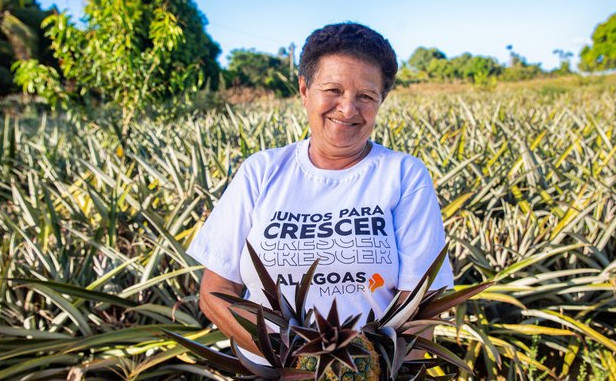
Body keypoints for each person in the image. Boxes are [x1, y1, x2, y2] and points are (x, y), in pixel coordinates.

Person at [187, 22, 453, 361]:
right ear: (304, 90)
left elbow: (420, 304)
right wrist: (293, 364)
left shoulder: (403, 175)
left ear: (380, 101)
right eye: (333, 90)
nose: (347, 109)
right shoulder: (261, 171)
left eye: (366, 96)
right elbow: (215, 293)